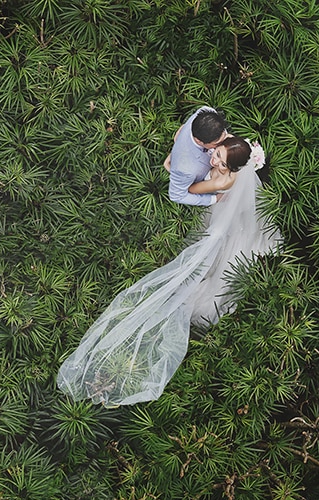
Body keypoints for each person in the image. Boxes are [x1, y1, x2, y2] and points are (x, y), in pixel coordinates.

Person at [57, 137, 281, 407]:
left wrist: (176, 168)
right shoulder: (231, 150)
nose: (215, 161)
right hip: (225, 211)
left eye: (221, 162)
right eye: (218, 153)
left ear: (233, 170)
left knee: (206, 271)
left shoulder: (223, 181)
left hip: (218, 226)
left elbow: (190, 188)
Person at [164, 107, 229, 206]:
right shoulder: (183, 169)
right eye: (217, 143)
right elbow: (176, 195)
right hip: (209, 184)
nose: (225, 141)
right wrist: (213, 199)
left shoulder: (206, 114)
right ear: (199, 141)